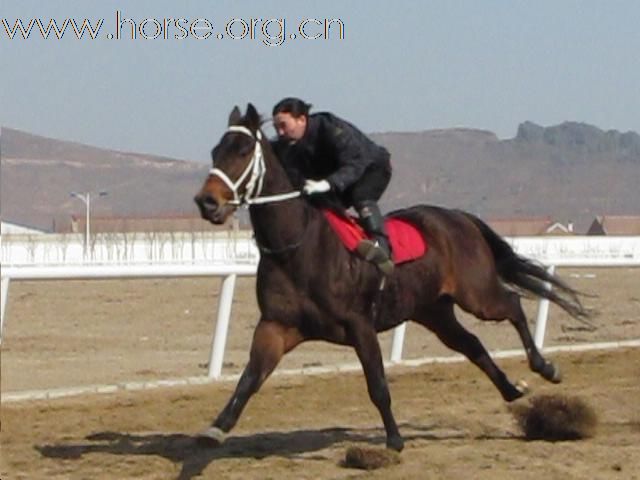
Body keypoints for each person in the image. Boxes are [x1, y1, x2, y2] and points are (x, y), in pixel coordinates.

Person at [272, 97, 394, 275]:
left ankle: (381, 246)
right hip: (336, 178)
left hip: (371, 168)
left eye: (283, 125)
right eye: (276, 128)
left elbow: (356, 161)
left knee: (361, 196)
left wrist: (329, 183)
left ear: (302, 120)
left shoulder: (329, 127)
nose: (280, 133)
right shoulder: (287, 144)